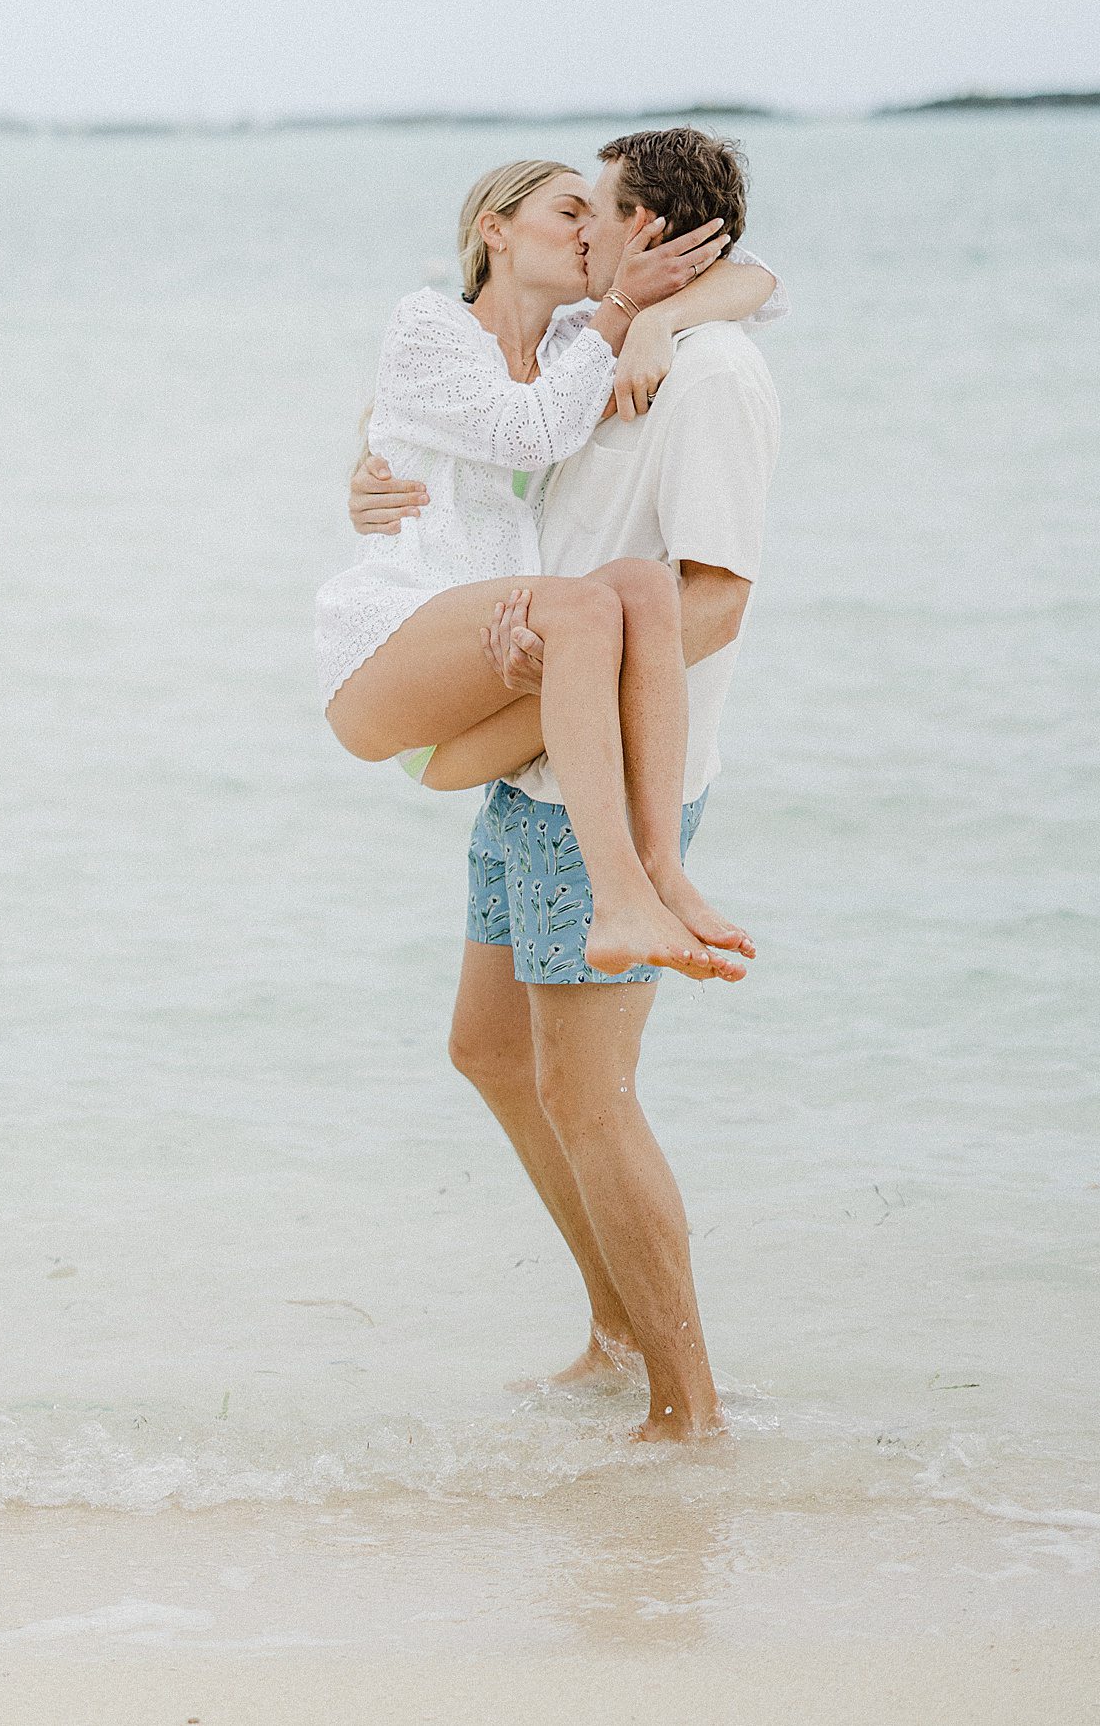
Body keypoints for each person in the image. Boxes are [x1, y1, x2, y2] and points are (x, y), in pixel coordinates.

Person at [348, 127, 785, 1441]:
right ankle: (612, 1331)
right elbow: (467, 456)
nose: (580, 223)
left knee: (591, 1097)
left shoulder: (707, 379)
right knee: (486, 1049)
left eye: (597, 207)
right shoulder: (599, 348)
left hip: (593, 759)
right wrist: (373, 483)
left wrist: (558, 662)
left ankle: (686, 1406)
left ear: (645, 229)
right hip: (540, 760)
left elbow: (712, 605)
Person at [317, 156, 780, 979]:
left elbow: (764, 286)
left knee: (641, 587)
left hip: (497, 682)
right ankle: (619, 900)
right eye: (569, 212)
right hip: (388, 663)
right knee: (587, 609)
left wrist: (646, 325)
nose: (589, 231)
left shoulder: (579, 342)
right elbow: (525, 433)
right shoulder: (427, 326)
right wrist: (627, 311)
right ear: (496, 229)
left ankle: (662, 872)